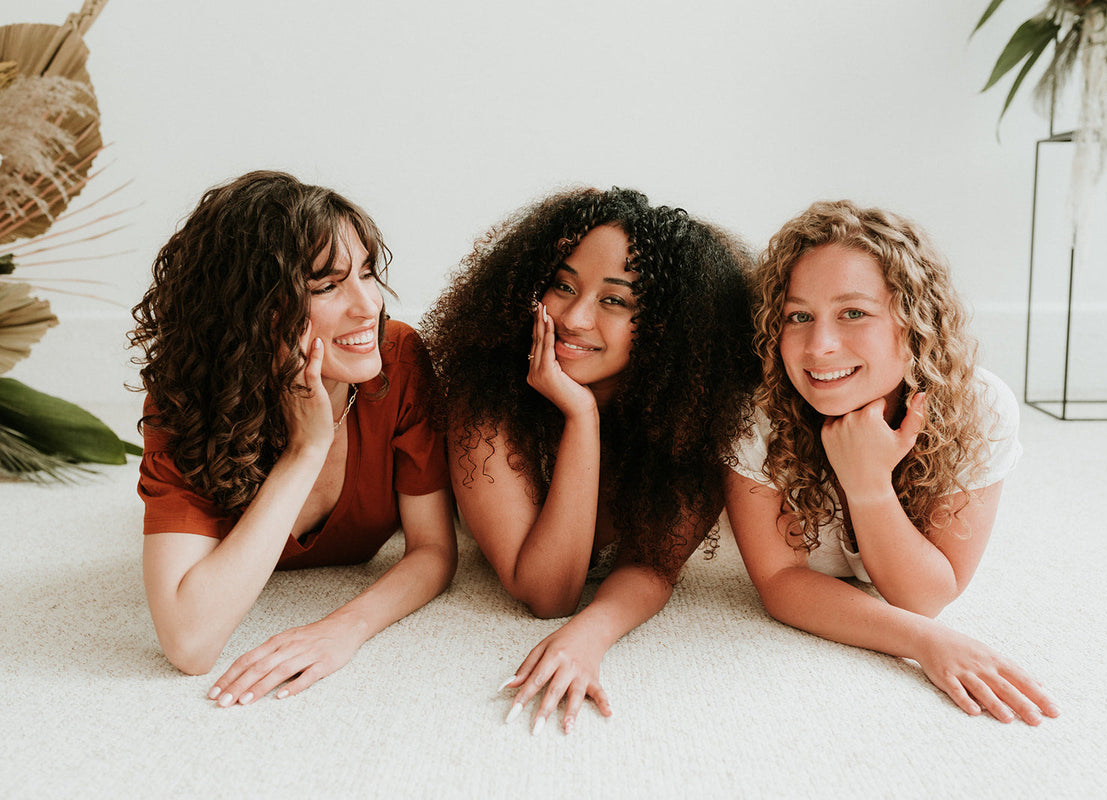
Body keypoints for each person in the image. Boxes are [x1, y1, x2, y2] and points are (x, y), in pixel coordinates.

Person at [422, 186, 759, 735]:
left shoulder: (693, 417)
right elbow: (547, 593)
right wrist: (581, 418)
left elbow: (652, 565)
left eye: (616, 300)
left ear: (668, 328)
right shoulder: (486, 400)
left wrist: (590, 634)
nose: (575, 317)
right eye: (562, 285)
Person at [724, 199, 1060, 725]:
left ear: (915, 322)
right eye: (798, 316)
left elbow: (923, 594)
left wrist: (869, 486)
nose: (820, 345)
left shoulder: (980, 408)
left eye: (853, 312)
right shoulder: (758, 413)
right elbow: (781, 583)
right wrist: (925, 643)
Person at [130, 171, 457, 706]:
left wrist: (342, 629)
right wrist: (306, 450)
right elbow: (190, 643)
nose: (367, 305)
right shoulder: (185, 401)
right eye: (326, 286)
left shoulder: (397, 359)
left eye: (368, 274)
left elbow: (434, 551)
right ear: (253, 310)